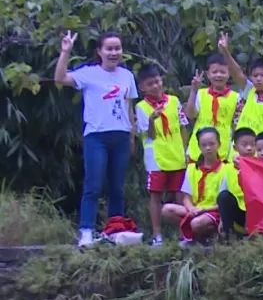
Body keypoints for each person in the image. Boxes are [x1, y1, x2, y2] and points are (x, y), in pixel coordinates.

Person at [54, 30, 139, 247]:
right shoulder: (89, 73)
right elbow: (60, 78)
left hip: (120, 135)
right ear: (99, 51)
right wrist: (65, 52)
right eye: (109, 48)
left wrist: (131, 137)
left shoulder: (127, 76)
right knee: (94, 184)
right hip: (96, 136)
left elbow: (128, 107)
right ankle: (86, 231)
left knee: (117, 187)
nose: (114, 52)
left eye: (117, 48)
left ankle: (115, 230)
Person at [135, 64, 190, 247]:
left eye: (158, 81)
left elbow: (183, 126)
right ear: (143, 87)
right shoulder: (141, 107)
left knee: (180, 195)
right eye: (150, 84)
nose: (156, 86)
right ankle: (157, 235)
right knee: (155, 195)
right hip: (156, 158)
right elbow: (148, 134)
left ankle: (184, 233)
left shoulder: (173, 101)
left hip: (177, 155)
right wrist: (152, 120)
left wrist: (186, 150)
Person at [162, 127, 230, 245]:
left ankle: (209, 236)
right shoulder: (192, 168)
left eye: (212, 144)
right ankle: (190, 236)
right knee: (166, 210)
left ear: (219, 144)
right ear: (199, 147)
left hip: (213, 211)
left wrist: (204, 209)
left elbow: (223, 203)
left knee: (196, 223)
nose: (208, 148)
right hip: (195, 209)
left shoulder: (226, 170)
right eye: (204, 145)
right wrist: (191, 209)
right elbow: (186, 197)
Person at [185, 33, 246, 160]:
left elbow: (237, 124)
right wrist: (193, 91)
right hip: (199, 148)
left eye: (223, 72)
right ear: (208, 74)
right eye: (215, 72)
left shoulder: (236, 98)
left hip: (224, 148)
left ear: (229, 73)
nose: (219, 75)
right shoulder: (201, 94)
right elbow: (190, 115)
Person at [217, 127, 256, 239]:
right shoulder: (227, 169)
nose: (249, 148)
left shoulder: (261, 165)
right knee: (224, 197)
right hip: (239, 212)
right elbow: (222, 196)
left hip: (256, 211)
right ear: (235, 147)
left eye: (252, 144)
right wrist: (221, 220)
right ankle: (228, 236)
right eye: (244, 145)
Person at [235, 56, 263, 135]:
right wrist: (225, 51)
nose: (258, 79)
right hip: (239, 145)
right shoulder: (249, 91)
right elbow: (236, 72)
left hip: (262, 145)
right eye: (255, 76)